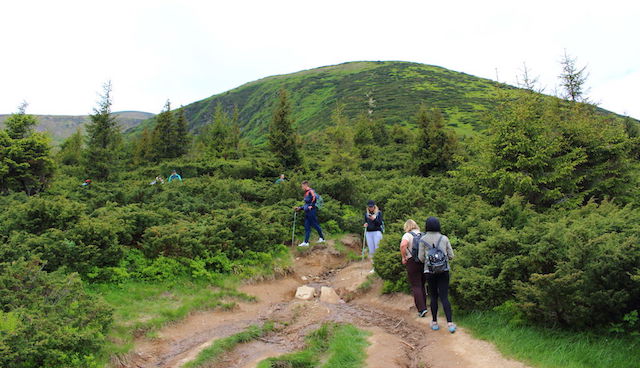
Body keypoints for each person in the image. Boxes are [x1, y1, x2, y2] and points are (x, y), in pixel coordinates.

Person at [418, 216, 456, 333]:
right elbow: (451, 256)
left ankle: (434, 322)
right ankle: (449, 323)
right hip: (444, 271)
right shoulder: (444, 238)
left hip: (429, 272)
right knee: (444, 297)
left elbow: (421, 258)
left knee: (433, 296)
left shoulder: (423, 239)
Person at [400, 219, 428, 318]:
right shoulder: (422, 234)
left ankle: (421, 309)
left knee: (416, 285)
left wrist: (404, 257)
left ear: (406, 226)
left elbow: (403, 245)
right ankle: (424, 306)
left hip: (412, 261)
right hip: (424, 261)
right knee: (422, 284)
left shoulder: (407, 235)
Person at [293, 180, 325, 247]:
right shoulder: (306, 193)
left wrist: (311, 206)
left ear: (305, 185)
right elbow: (306, 204)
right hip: (307, 212)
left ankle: (322, 238)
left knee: (315, 224)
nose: (301, 188)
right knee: (307, 226)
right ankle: (306, 242)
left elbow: (314, 198)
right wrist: (300, 208)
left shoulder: (311, 191)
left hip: (311, 211)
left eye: (302, 186)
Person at [363, 200, 383, 265]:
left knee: (377, 248)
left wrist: (374, 219)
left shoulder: (378, 213)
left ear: (374, 206)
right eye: (369, 207)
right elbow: (365, 222)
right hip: (369, 233)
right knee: (371, 250)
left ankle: (379, 264)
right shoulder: (366, 214)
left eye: (372, 206)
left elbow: (380, 223)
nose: (370, 208)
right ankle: (374, 265)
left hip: (377, 232)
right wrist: (365, 224)